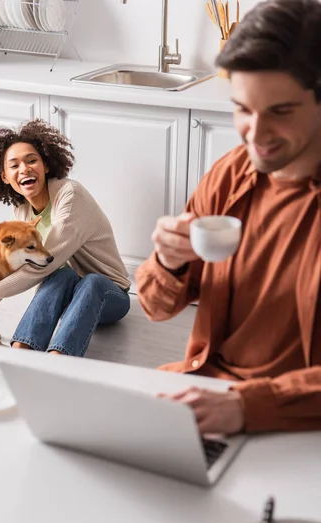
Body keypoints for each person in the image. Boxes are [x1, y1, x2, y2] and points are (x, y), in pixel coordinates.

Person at [136, 0, 321, 436]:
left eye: (280, 111)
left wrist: (245, 405)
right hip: (208, 395)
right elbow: (154, 307)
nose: (254, 135)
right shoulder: (232, 173)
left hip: (296, 423)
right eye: (242, 109)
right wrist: (168, 261)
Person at [0, 119, 131, 356]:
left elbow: (48, 262)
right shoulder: (22, 211)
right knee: (63, 274)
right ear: (4, 177)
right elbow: (24, 263)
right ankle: (21, 352)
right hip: (67, 293)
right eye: (14, 166)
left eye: (31, 160)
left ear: (45, 165)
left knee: (91, 281)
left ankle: (58, 360)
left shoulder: (70, 195)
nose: (24, 169)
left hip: (110, 294)